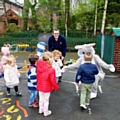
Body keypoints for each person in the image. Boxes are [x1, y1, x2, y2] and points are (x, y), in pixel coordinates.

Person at [36, 51, 59, 117]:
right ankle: (45, 112)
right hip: (47, 87)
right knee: (46, 100)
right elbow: (53, 80)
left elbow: (37, 76)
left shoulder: (39, 66)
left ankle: (41, 110)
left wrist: (38, 83)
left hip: (40, 85)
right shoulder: (51, 69)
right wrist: (56, 87)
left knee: (41, 98)